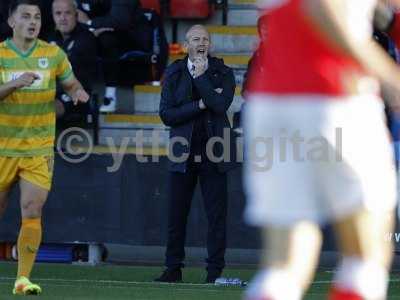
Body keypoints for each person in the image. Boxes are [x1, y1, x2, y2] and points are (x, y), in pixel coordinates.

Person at [243, 0, 400, 299]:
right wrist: (389, 77)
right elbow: (321, 7)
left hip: (272, 101)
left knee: (285, 264)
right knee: (365, 256)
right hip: (333, 95)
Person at [0, 0, 89, 295]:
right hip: (2, 147)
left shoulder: (53, 54)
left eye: (37, 16)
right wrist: (15, 84)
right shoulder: (1, 53)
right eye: (25, 16)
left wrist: (78, 92)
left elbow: (71, 82)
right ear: (12, 21)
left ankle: (22, 278)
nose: (33, 21)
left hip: (38, 148)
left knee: (32, 208)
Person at [155, 25, 236, 284]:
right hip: (183, 153)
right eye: (195, 39)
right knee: (176, 215)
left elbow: (222, 105)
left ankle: (214, 272)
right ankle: (172, 269)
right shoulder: (174, 71)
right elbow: (167, 114)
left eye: (205, 39)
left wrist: (202, 79)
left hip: (215, 152)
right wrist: (202, 103)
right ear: (186, 45)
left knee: (216, 217)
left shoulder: (223, 71)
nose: (201, 43)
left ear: (210, 45)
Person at [76, 0, 153, 113]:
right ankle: (77, 97)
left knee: (107, 39)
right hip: (100, 30)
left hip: (133, 38)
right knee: (79, 40)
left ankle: (110, 97)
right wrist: (91, 28)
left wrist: (89, 22)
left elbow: (120, 20)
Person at [49, 0, 97, 119]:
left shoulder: (87, 38)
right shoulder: (49, 37)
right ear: (53, 16)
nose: (63, 18)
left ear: (76, 15)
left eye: (67, 13)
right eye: (58, 13)